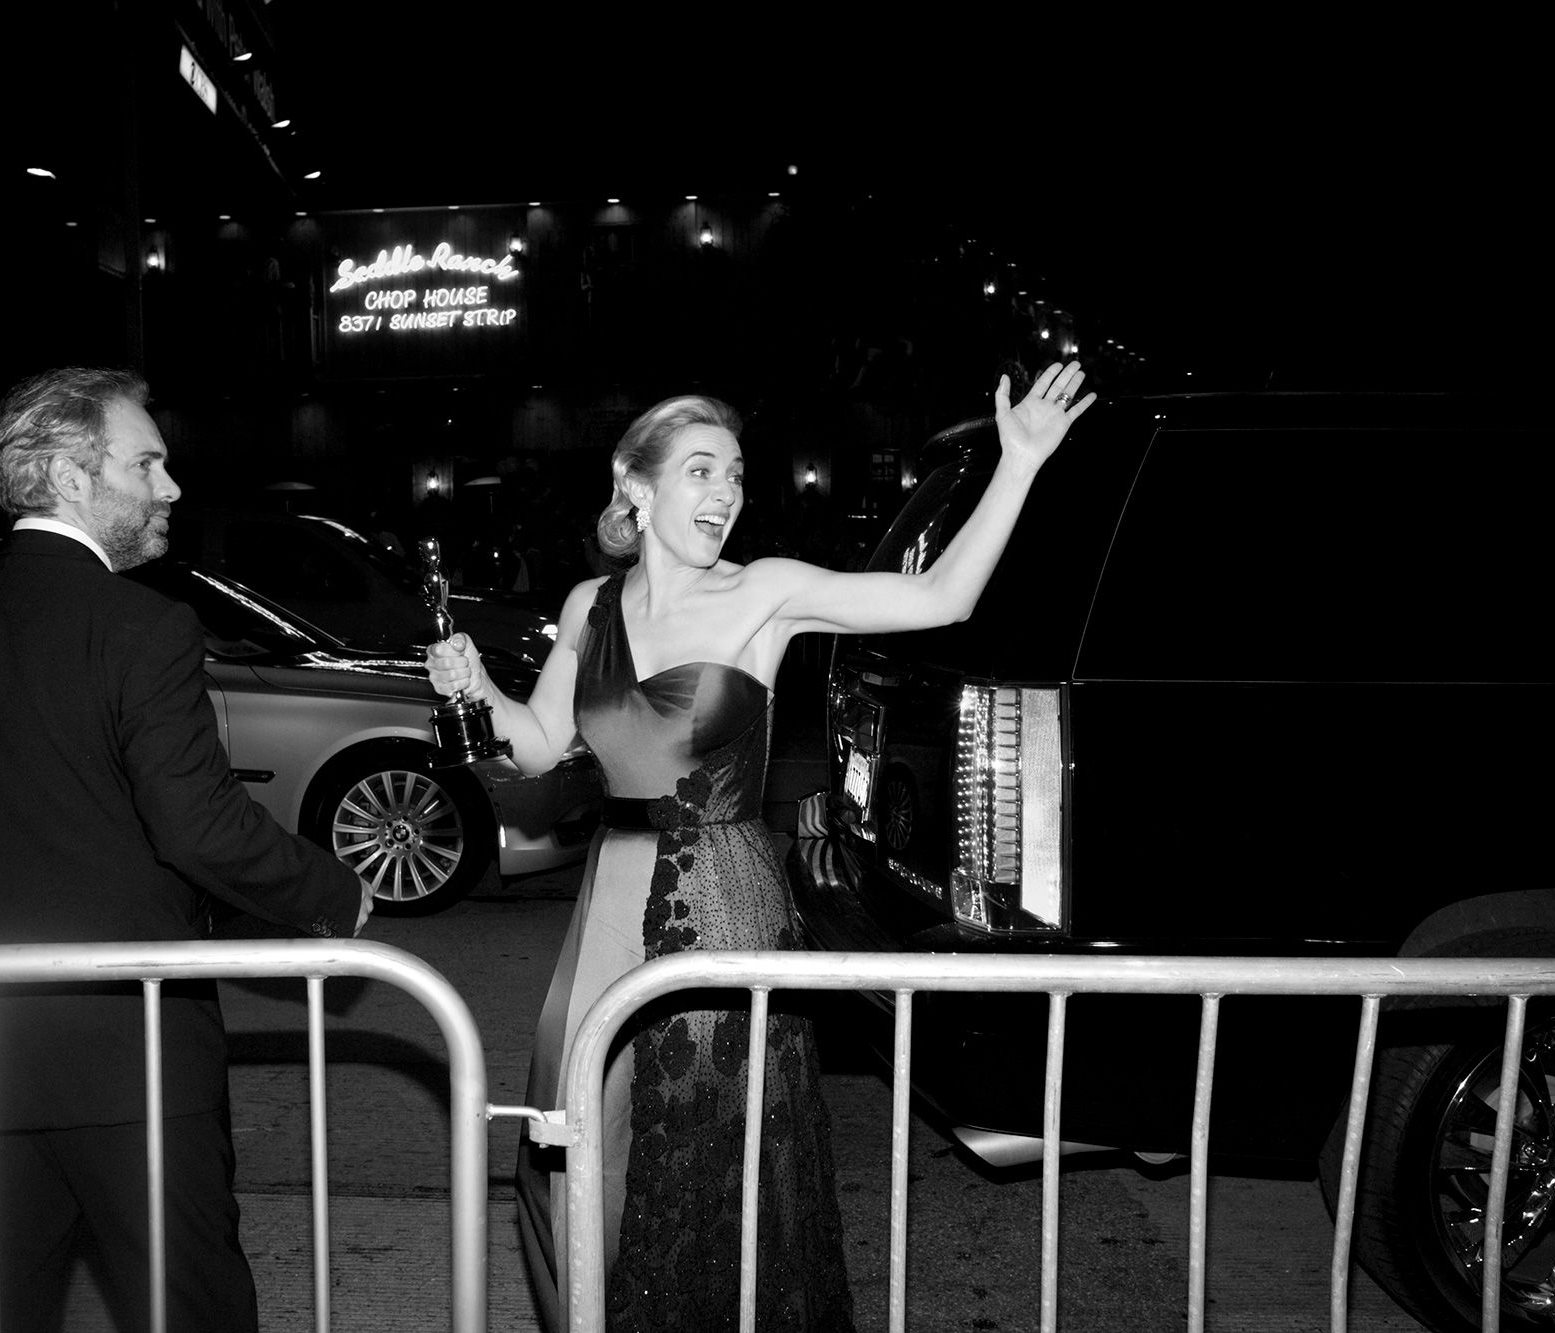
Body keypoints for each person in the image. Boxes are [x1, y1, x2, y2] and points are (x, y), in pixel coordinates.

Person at [427, 361, 1096, 1330]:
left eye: (735, 474)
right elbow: (535, 744)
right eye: (700, 470)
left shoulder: (764, 592)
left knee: (704, 1157)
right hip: (608, 898)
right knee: (577, 1134)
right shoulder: (588, 607)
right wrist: (475, 686)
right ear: (636, 485)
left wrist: (1019, 463)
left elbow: (943, 597)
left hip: (719, 896)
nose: (726, 492)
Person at [0, 366, 371, 1333]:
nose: (171, 486)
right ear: (70, 477)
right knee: (195, 1311)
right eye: (146, 463)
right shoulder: (142, 626)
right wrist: (333, 893)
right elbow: (200, 825)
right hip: (133, 1058)